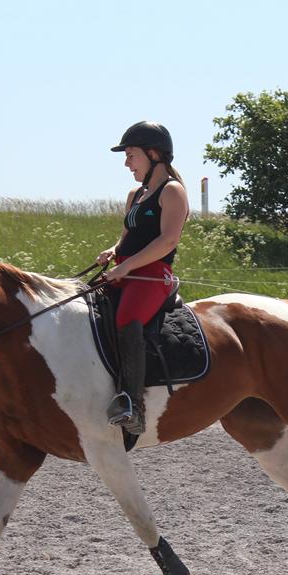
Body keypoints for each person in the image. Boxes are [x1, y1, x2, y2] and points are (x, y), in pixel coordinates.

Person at [96, 121, 189, 436]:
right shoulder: (136, 194)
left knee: (127, 317)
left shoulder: (172, 192)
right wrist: (112, 253)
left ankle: (132, 405)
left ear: (153, 154)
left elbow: (167, 241)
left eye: (131, 155)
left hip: (152, 276)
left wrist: (127, 266)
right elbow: (126, 237)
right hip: (126, 269)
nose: (126, 163)